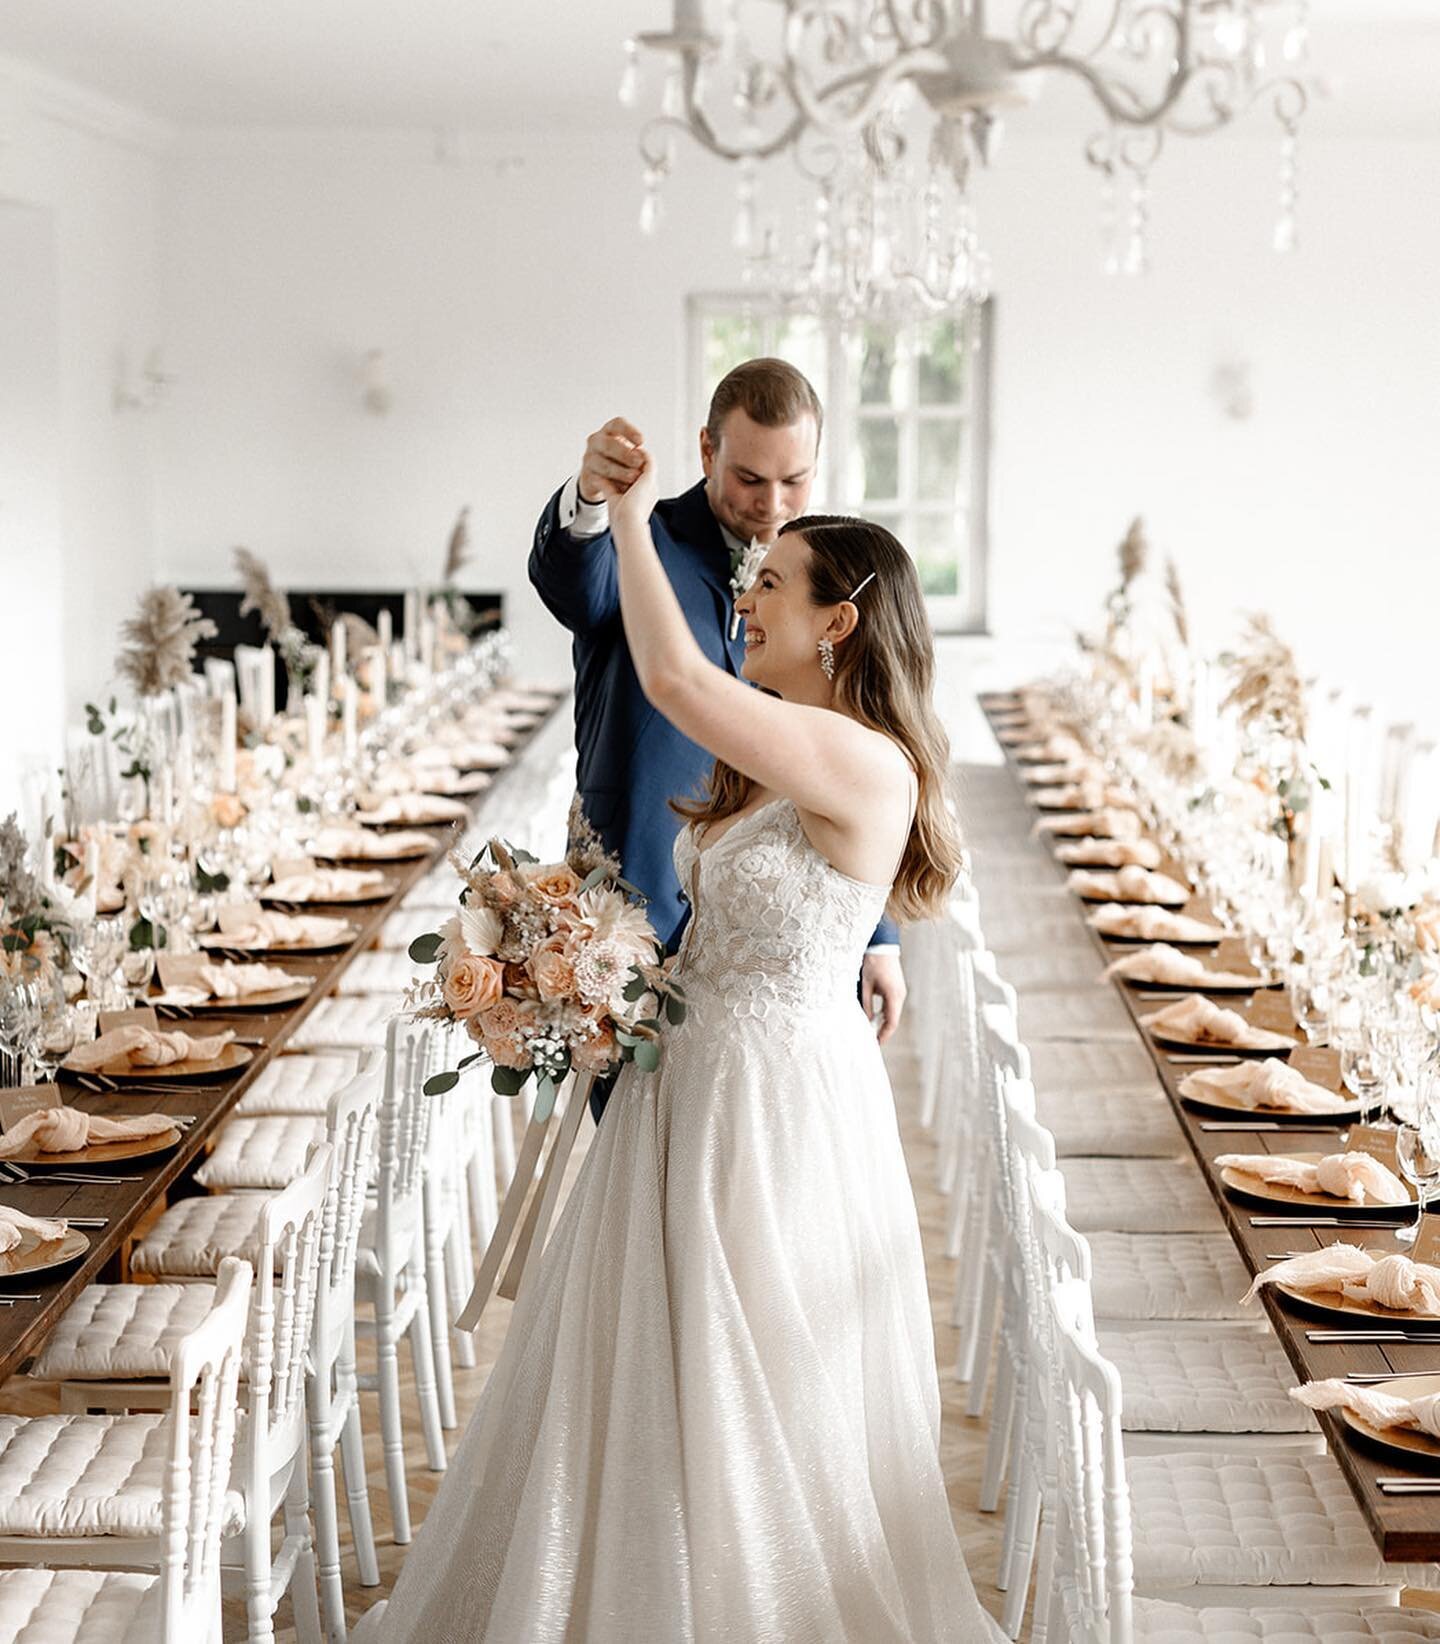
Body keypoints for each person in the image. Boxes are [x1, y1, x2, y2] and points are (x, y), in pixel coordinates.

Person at [357, 447, 1002, 1642]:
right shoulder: (779, 750)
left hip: (769, 1107)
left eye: (772, 585)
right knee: (653, 1367)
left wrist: (639, 516)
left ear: (839, 623)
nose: (743, 599)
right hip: (691, 1082)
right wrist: (584, 971)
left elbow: (668, 675)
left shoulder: (860, 760)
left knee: (756, 1373)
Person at [528, 359, 906, 1104]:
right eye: (750, 479)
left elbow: (849, 743)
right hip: (631, 911)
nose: (772, 504)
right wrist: (593, 501)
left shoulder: (826, 581)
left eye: (794, 480)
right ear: (707, 452)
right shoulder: (643, 546)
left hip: (768, 946)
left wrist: (876, 932)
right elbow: (574, 581)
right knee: (632, 1156)